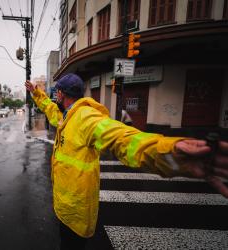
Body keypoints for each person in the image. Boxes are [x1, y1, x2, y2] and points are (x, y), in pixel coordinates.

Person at [24, 73, 228, 250]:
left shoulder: (85, 117)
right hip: (64, 206)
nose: (55, 97)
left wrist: (170, 152)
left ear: (61, 94)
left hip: (76, 211)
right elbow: (50, 109)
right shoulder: (65, 116)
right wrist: (36, 93)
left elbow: (123, 139)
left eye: (56, 93)